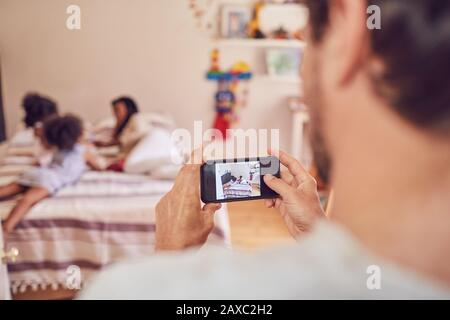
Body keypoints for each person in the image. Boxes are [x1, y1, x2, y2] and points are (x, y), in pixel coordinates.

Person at [81, 0, 450, 299]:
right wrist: (316, 232)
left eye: (305, 41)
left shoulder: (128, 290)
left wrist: (165, 265)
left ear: (346, 25)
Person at [1, 115, 100, 237]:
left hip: (39, 172)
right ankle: (7, 228)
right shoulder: (83, 152)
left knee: (9, 188)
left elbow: (43, 142)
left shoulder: (57, 148)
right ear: (77, 135)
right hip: (51, 179)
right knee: (26, 201)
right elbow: (99, 167)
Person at [94, 96, 151, 171]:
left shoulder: (136, 118)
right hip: (125, 157)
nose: (115, 114)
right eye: (114, 111)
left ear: (128, 109)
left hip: (136, 157)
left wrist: (118, 141)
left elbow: (143, 134)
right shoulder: (124, 126)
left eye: (117, 110)